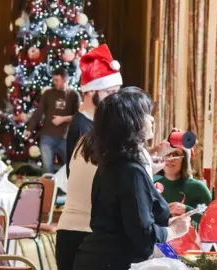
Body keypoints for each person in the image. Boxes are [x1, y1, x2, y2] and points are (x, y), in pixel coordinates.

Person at [56, 87, 177, 270]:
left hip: (79, 243)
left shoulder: (101, 156)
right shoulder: (131, 169)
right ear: (132, 122)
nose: (151, 119)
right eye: (146, 114)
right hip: (109, 256)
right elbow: (141, 232)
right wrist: (172, 231)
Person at [65, 44, 122, 177]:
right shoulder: (82, 127)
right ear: (90, 90)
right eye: (109, 92)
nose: (114, 98)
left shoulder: (98, 119)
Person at [24, 67, 81, 173]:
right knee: (47, 169)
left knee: (70, 168)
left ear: (65, 79)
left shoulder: (74, 95)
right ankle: (48, 188)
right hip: (47, 137)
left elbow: (79, 116)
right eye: (53, 80)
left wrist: (63, 119)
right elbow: (38, 112)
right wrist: (29, 129)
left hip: (65, 138)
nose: (54, 82)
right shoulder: (48, 94)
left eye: (57, 80)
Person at [153, 147, 211, 229]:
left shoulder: (199, 188)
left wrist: (187, 210)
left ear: (185, 161)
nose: (170, 159)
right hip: (161, 239)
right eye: (167, 154)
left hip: (190, 239)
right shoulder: (152, 186)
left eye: (176, 155)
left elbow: (210, 222)